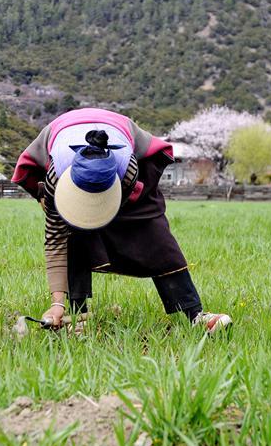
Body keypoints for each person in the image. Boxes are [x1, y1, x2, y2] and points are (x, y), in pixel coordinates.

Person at [12, 108, 231, 333]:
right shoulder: (55, 178)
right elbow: (55, 240)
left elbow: (125, 214)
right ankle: (77, 315)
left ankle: (195, 314)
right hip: (65, 144)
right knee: (73, 232)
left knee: (154, 234)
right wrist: (55, 303)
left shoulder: (129, 170)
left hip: (124, 158)